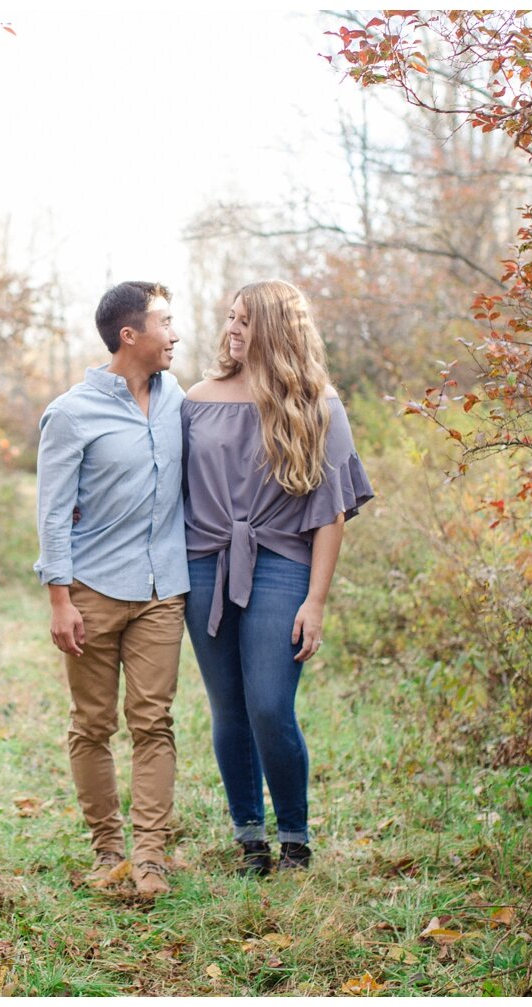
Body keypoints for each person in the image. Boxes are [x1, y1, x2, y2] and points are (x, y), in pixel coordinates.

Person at [182, 279, 373, 876]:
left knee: (269, 705)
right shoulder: (196, 397)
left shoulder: (317, 402)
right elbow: (161, 480)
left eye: (245, 321)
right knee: (229, 710)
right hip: (206, 562)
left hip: (282, 564)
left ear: (276, 330)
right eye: (230, 318)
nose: (232, 329)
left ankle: (295, 834)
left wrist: (316, 602)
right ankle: (250, 841)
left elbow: (332, 512)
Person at [33, 281, 186, 899]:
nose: (176, 334)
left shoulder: (179, 397)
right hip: (92, 590)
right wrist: (60, 599)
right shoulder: (71, 413)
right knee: (93, 724)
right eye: (166, 323)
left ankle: (149, 858)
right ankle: (107, 852)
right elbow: (52, 511)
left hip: (162, 590)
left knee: (154, 723)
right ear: (131, 335)